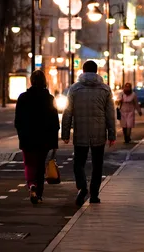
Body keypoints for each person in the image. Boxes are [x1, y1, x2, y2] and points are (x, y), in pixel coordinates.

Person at [62, 60, 116, 206]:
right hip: (99, 133)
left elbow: (67, 112)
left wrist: (65, 133)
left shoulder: (74, 89)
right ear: (96, 71)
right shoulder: (105, 89)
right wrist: (112, 134)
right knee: (97, 165)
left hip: (80, 132)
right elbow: (110, 114)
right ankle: (94, 195)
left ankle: (82, 187)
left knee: (78, 163)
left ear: (83, 71)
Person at [15, 70, 60, 204]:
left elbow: (18, 120)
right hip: (44, 138)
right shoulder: (49, 98)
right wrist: (54, 142)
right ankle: (39, 193)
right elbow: (54, 121)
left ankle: (31, 185)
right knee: (40, 166)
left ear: (31, 81)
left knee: (29, 163)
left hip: (27, 137)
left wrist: (21, 134)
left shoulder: (23, 97)